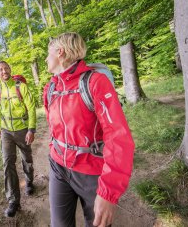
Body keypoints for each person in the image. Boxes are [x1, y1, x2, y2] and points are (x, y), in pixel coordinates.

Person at [43, 32, 135, 227]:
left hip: (90, 170)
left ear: (60, 52)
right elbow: (53, 127)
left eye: (48, 53)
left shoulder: (95, 82)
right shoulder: (50, 87)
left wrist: (108, 192)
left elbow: (118, 136)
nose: (45, 58)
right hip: (58, 165)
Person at [0, 60, 37, 217]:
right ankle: (13, 201)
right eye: (0, 70)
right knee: (7, 163)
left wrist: (31, 129)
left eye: (6, 68)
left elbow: (31, 107)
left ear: (10, 70)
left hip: (22, 129)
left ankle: (29, 181)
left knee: (27, 158)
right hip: (6, 132)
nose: (4, 71)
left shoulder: (20, 86)